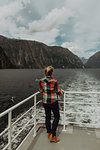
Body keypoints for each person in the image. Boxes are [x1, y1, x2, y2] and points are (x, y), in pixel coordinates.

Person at [40, 66, 64, 143]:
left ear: (45, 72)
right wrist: (62, 92)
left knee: (48, 117)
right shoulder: (54, 81)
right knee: (56, 117)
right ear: (52, 72)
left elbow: (41, 90)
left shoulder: (41, 81)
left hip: (45, 101)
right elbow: (57, 92)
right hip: (53, 101)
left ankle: (49, 133)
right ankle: (53, 136)